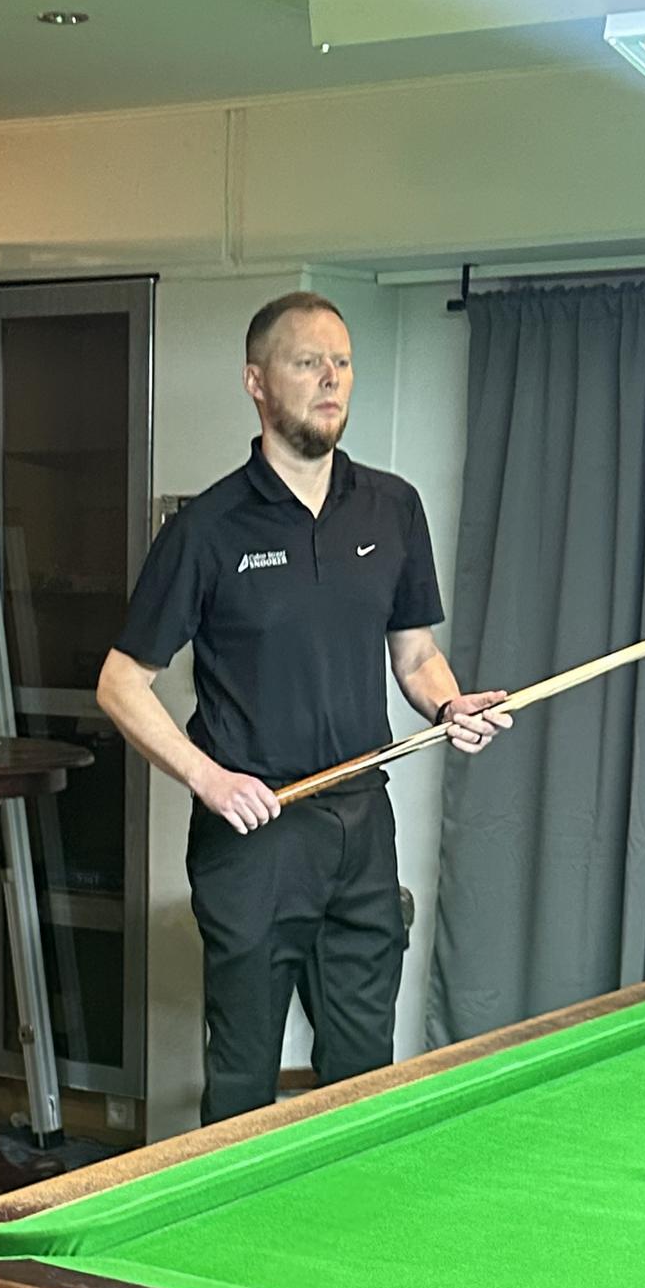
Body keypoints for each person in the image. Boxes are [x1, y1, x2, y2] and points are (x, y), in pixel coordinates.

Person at [96, 292, 511, 1124]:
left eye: (342, 362)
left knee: (363, 1078)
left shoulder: (392, 507)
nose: (331, 379)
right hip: (255, 837)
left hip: (361, 824)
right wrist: (209, 778)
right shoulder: (207, 529)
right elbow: (119, 683)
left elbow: (415, 655)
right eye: (307, 362)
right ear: (256, 382)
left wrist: (448, 704)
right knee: (244, 1081)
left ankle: (357, 1210)